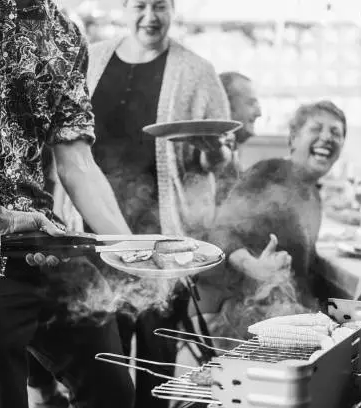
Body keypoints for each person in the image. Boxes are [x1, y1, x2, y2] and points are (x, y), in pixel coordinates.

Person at [0, 1, 135, 408]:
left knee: (112, 388)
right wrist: (0, 218)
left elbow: (77, 163)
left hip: (39, 240)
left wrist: (133, 248)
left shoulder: (63, 32)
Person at [84, 0, 232, 406]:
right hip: (95, 241)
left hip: (164, 247)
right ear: (123, 7)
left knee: (157, 370)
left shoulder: (197, 71)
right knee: (101, 370)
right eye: (140, 5)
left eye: (160, 5)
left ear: (173, 9)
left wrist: (214, 150)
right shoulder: (91, 59)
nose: (150, 15)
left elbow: (216, 161)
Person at [197, 100, 347, 341]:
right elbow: (221, 231)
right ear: (294, 138)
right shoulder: (270, 172)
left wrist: (351, 308)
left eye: (336, 133)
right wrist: (253, 266)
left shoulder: (313, 195)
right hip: (244, 313)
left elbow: (306, 269)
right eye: (316, 129)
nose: (327, 138)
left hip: (288, 311)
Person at [216, 71, 263, 205]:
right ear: (225, 106)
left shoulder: (232, 154)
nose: (259, 113)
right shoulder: (214, 159)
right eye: (251, 103)